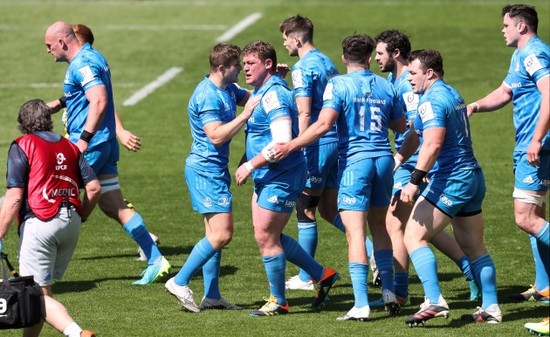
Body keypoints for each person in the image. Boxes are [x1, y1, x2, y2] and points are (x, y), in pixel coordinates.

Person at [273, 34, 407, 321]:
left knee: (355, 234)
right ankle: (389, 292)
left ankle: (361, 304)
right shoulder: (386, 85)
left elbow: (323, 124)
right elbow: (400, 126)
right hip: (384, 160)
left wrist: (292, 145)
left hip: (355, 164)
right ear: (370, 57)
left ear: (344, 58)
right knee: (380, 229)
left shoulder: (338, 85)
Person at [44, 21, 171, 285]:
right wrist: (61, 102)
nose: (48, 51)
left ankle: (44, 266)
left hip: (92, 143)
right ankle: (156, 258)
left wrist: (84, 141)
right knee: (113, 204)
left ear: (63, 42)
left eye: (49, 45)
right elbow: (87, 91)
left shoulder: (83, 64)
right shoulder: (91, 57)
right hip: (105, 141)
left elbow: (99, 99)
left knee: (53, 193)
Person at [368, 29, 479, 309]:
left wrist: (418, 171)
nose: (376, 58)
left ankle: (401, 293)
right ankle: (470, 271)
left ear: (395, 54)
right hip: (409, 160)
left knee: (397, 223)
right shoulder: (394, 80)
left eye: (380, 53)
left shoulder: (411, 86)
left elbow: (425, 131)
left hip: (419, 162)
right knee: (415, 224)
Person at [395, 49, 501, 326]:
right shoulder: (451, 93)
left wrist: (413, 181)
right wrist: (398, 158)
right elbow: (416, 135)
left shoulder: (432, 101)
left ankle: (434, 300)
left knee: (413, 237)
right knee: (474, 247)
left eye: (413, 73)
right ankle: (491, 307)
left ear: (429, 73)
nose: (408, 79)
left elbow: (432, 144)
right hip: (472, 177)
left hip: (452, 178)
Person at [234, 40, 339, 317]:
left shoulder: (274, 96)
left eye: (251, 63)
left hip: (281, 174)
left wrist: (250, 165)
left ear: (267, 64)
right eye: (244, 64)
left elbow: (282, 141)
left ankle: (279, 301)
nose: (245, 68)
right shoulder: (265, 89)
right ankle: (322, 274)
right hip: (269, 174)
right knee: (269, 234)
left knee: (265, 236)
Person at [278, 15, 379, 291]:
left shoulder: (301, 68)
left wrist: (297, 144)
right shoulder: (327, 61)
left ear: (296, 38)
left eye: (286, 39)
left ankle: (307, 276)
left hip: (317, 144)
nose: (285, 44)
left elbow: (305, 111)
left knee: (305, 206)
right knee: (329, 208)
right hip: (338, 142)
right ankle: (372, 254)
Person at [467, 4, 549, 331]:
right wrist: (474, 105)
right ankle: (544, 287)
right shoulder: (520, 56)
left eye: (505, 25)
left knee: (525, 217)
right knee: (534, 214)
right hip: (528, 147)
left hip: (537, 147)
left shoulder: (534, 54)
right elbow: (504, 93)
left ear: (520, 26)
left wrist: (537, 139)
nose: (502, 30)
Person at [164, 43, 259, 313]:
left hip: (215, 169)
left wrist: (272, 79)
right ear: (221, 68)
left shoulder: (228, 88)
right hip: (205, 170)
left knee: (213, 235)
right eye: (236, 66)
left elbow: (252, 96)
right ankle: (179, 281)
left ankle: (212, 295)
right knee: (222, 234)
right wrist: (246, 115)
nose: (241, 68)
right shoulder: (207, 95)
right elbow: (216, 136)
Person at [0, 99, 100, 337]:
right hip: (71, 223)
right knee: (41, 293)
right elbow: (94, 188)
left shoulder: (22, 145)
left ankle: (77, 334)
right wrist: (82, 214)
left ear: (22, 123)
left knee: (36, 295)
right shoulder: (70, 146)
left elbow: (14, 197)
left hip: (41, 222)